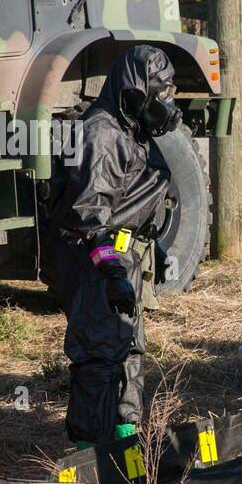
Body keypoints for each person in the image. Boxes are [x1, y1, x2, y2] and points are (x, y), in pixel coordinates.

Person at [45, 46, 181, 447]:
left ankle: (126, 436)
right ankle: (89, 455)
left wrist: (145, 251)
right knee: (99, 353)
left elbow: (134, 199)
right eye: (160, 92)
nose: (165, 103)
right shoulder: (101, 134)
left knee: (128, 348)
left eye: (169, 91)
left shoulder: (130, 127)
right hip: (98, 260)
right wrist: (111, 273)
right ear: (135, 90)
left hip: (124, 256)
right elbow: (89, 217)